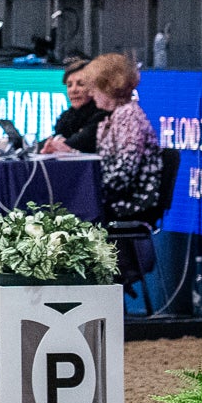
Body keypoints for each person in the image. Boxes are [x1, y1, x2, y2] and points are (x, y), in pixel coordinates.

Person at [78, 52, 166, 273]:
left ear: (107, 86)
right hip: (115, 199)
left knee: (69, 211)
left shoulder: (129, 117)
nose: (90, 93)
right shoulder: (114, 116)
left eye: (93, 87)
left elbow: (123, 174)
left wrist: (84, 191)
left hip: (130, 203)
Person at [42, 59, 107, 155]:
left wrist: (58, 144)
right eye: (69, 85)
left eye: (81, 84)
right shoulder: (66, 118)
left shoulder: (103, 113)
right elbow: (50, 141)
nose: (73, 90)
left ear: (94, 87)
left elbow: (80, 141)